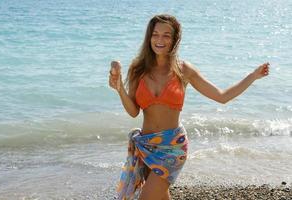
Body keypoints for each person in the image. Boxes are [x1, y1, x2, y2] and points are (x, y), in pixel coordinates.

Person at [108, 14, 269, 200]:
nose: (160, 40)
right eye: (155, 34)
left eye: (166, 35)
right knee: (160, 196)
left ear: (175, 39)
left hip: (173, 147)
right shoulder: (138, 69)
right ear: (149, 37)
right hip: (147, 146)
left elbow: (222, 96)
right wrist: (119, 87)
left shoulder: (183, 70)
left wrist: (252, 76)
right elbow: (133, 111)